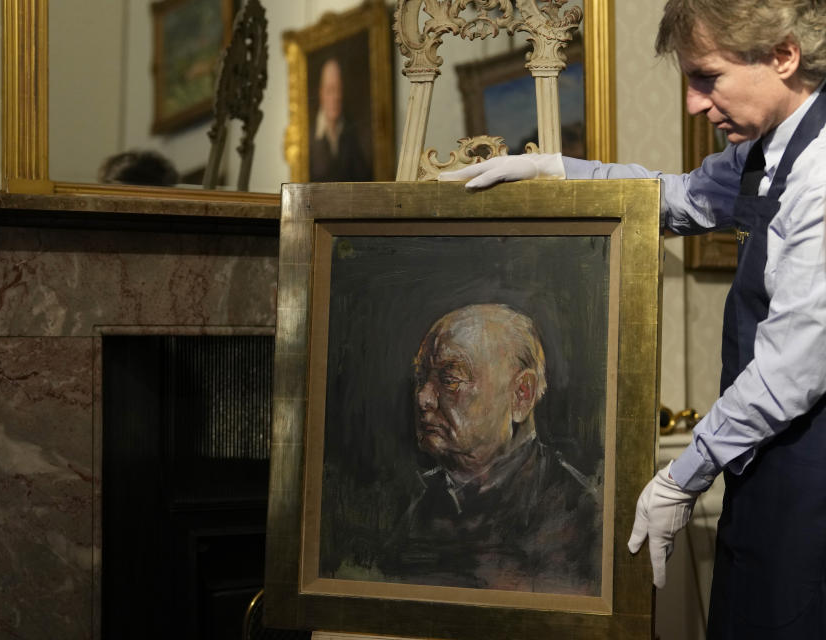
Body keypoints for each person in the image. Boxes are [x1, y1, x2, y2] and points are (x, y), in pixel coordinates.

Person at [439, 1, 826, 636]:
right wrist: (556, 172)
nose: (695, 104)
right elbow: (678, 198)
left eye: (708, 77)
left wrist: (682, 475)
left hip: (809, 483)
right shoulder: (769, 150)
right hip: (767, 474)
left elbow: (791, 369)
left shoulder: (819, 172)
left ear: (783, 56)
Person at [381, 304, 601, 594]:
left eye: (449, 379)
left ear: (521, 395)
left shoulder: (581, 517)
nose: (423, 398)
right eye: (422, 378)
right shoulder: (411, 508)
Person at [309, 58, 372, 182]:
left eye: (338, 89)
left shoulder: (352, 132)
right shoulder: (308, 136)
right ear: (321, 93)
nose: (336, 97)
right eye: (330, 90)